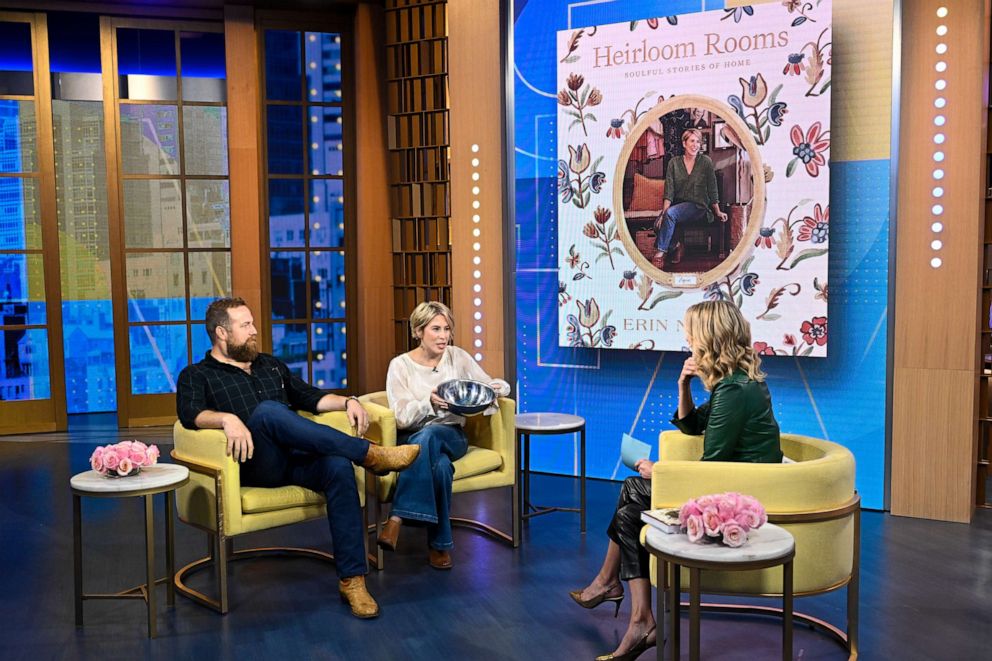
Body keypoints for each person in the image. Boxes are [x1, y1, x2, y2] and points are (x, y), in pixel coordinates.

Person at [176, 297, 420, 619]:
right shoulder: (197, 375)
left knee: (337, 466)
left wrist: (348, 402)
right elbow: (189, 413)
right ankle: (371, 455)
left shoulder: (270, 366)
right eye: (245, 325)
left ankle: (353, 580)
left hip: (294, 459)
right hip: (251, 465)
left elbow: (311, 397)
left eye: (252, 323)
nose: (254, 331)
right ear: (222, 333)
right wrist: (225, 419)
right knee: (267, 412)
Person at [571, 300, 782, 660]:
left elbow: (711, 465)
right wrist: (684, 383)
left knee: (632, 495)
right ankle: (628, 606)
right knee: (632, 500)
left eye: (690, 332)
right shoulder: (733, 384)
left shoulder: (735, 390)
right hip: (738, 480)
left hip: (742, 495)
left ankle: (623, 599)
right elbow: (691, 425)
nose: (686, 338)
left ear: (709, 337)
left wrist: (661, 472)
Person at [379, 301, 511, 569]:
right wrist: (429, 402)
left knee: (431, 436)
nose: (443, 336)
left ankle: (396, 519)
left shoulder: (457, 356)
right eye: (436, 329)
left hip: (451, 435)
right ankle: (439, 545)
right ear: (418, 331)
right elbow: (401, 417)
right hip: (410, 437)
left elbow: (490, 385)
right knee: (439, 468)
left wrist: (500, 386)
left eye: (447, 329)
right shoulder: (400, 366)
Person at [652, 128, 728, 270]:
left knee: (670, 215)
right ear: (684, 143)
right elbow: (669, 191)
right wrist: (663, 214)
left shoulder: (705, 162)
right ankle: (677, 246)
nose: (696, 145)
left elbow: (712, 188)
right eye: (692, 141)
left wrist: (717, 211)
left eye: (698, 141)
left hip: (699, 207)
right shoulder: (673, 163)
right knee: (658, 224)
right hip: (678, 207)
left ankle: (660, 253)